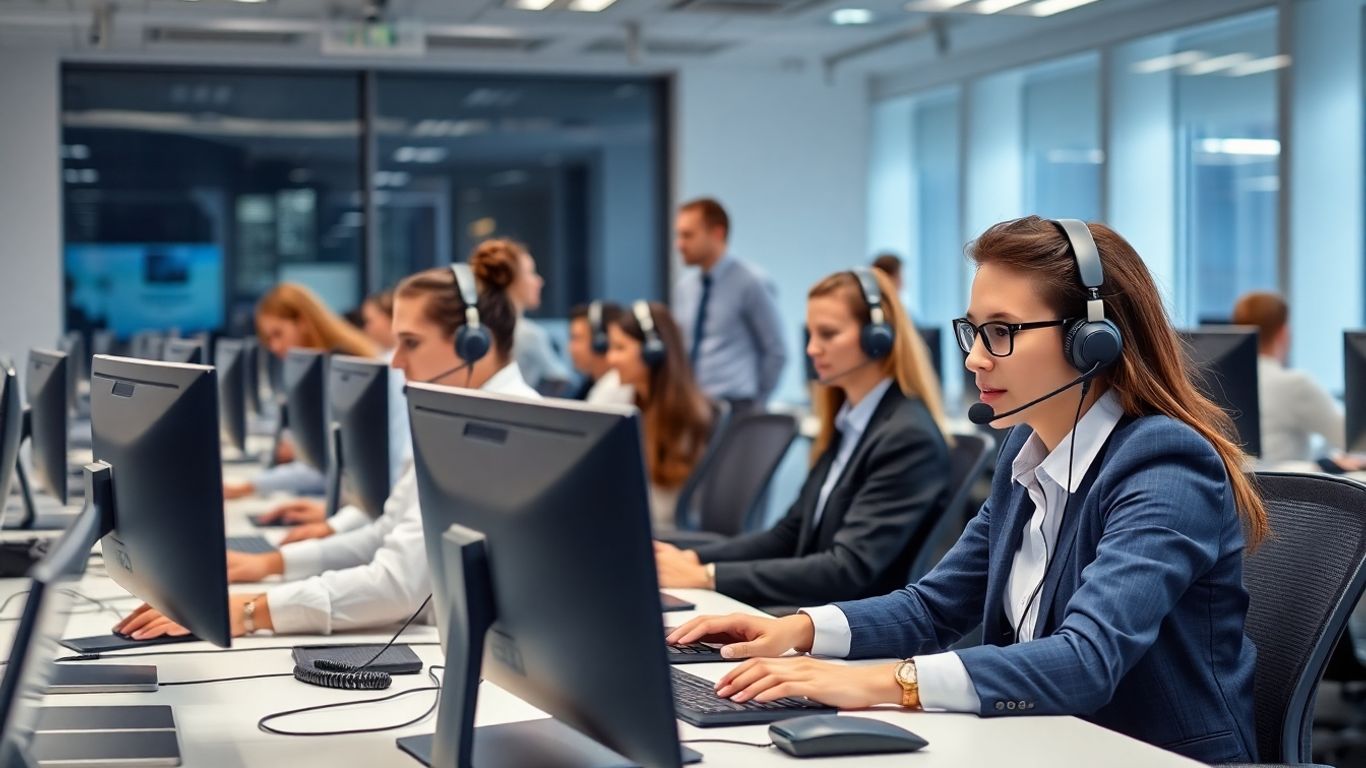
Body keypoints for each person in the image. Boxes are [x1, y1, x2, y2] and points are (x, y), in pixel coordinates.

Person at [668, 217, 1265, 764]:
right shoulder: (1024, 453)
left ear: (1093, 342)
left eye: (1002, 332)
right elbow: (934, 606)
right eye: (973, 331)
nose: (975, 359)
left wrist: (882, 682)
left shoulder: (1163, 464)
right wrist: (799, 629)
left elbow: (1087, 661)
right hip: (1041, 742)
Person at [114, 251, 539, 638]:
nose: (395, 361)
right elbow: (384, 535)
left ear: (474, 343)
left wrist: (250, 611)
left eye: (410, 343)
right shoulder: (458, 422)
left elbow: (399, 584)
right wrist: (272, 565)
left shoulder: (508, 433)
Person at [655, 267, 951, 608]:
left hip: (852, 627)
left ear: (878, 337)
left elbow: (845, 571)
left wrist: (708, 576)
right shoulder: (851, 423)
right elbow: (788, 536)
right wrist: (689, 558)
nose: (811, 349)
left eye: (827, 334)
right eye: (809, 334)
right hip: (818, 610)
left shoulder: (906, 438)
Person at [224, 284, 379, 500]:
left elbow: (327, 465)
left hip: (350, 502)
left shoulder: (341, 369)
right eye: (268, 340)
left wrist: (249, 486)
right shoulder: (316, 370)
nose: (275, 347)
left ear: (303, 322)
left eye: (278, 334)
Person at [605, 301, 712, 533]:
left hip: (663, 535)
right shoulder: (630, 402)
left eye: (620, 348)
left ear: (653, 352)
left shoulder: (683, 417)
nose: (610, 359)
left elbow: (664, 511)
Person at [671, 198, 787, 411]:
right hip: (694, 405)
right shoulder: (685, 288)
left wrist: (756, 403)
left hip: (736, 406)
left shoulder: (751, 282)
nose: (679, 244)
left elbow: (775, 351)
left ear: (717, 233)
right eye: (678, 235)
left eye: (688, 235)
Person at [1231, 291, 1349, 465]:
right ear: (1283, 332)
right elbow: (1351, 436)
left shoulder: (1224, 380)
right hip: (1285, 487)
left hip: (1239, 486)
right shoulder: (1294, 385)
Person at [497, 240, 572, 394]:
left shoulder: (482, 330)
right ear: (510, 281)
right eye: (531, 273)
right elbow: (560, 377)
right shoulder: (528, 334)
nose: (539, 281)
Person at [567, 301, 635, 405]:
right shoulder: (588, 385)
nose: (569, 348)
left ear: (600, 343)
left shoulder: (614, 386)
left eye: (576, 339)